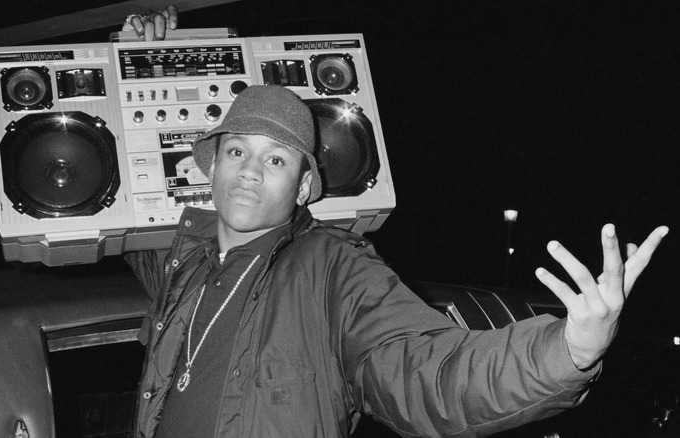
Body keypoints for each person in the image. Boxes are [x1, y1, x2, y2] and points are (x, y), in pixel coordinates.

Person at [123, 6, 669, 438]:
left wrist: (565, 351)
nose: (249, 172)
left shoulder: (330, 269)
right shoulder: (181, 262)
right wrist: (139, 53)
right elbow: (118, 207)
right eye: (236, 152)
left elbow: (426, 371)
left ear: (305, 187)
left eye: (276, 159)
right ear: (211, 168)